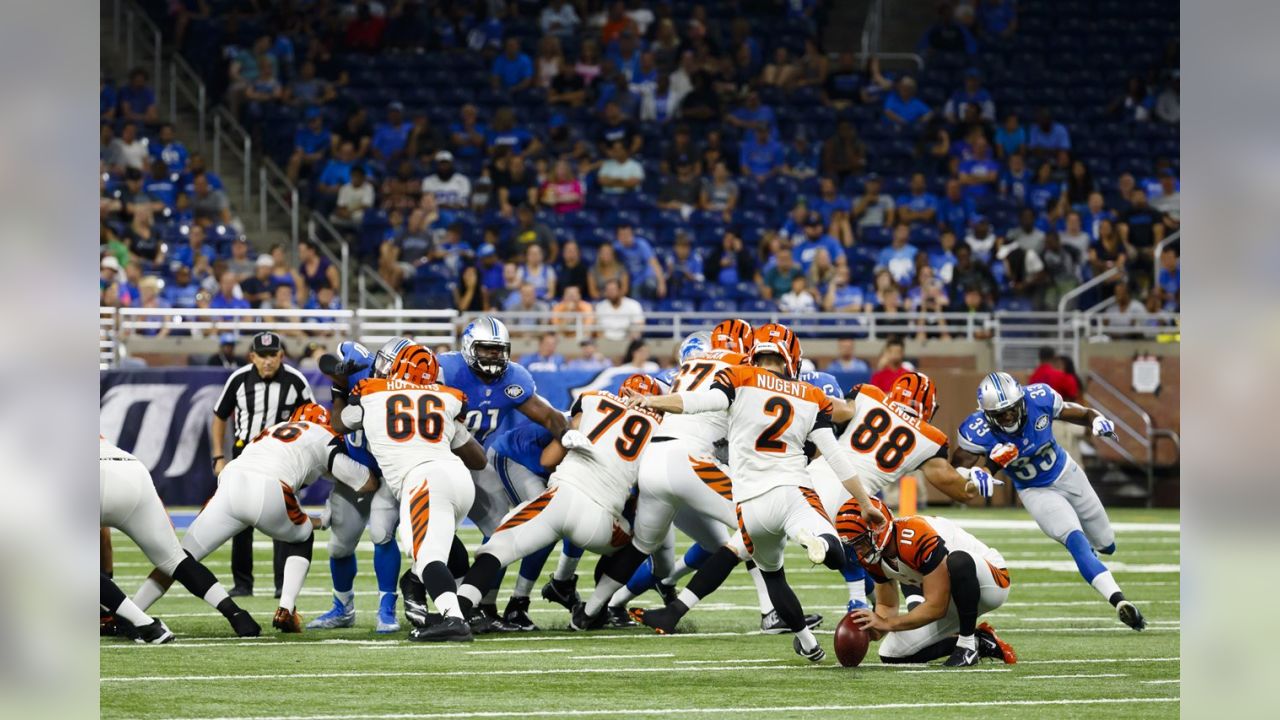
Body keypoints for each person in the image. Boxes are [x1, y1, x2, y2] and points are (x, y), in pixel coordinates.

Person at [625, 324, 883, 661]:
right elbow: (834, 456)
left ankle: (808, 646)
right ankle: (814, 538)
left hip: (750, 503)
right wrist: (864, 503)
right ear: (790, 357)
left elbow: (696, 402)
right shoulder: (811, 394)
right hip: (792, 489)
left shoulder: (739, 377)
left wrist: (652, 399)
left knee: (773, 577)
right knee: (832, 546)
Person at [133, 404, 376, 633]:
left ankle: (131, 611)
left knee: (178, 559)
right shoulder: (324, 435)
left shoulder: (273, 431)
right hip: (268, 489)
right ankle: (286, 609)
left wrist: (315, 517)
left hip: (231, 482)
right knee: (302, 538)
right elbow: (365, 482)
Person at [953, 373, 1147, 632]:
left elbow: (1081, 413)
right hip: (1035, 490)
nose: (1009, 417)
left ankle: (1094, 556)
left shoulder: (1039, 398)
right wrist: (972, 475)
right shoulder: (977, 431)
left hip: (1067, 473)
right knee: (1076, 542)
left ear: (1021, 400)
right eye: (1001, 414)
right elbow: (952, 470)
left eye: (1012, 410)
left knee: (1106, 544)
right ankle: (1119, 600)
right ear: (987, 415)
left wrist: (1096, 419)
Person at [341, 347, 488, 642]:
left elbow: (339, 422)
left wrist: (338, 386)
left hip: (424, 480)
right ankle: (465, 610)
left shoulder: (371, 395)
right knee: (443, 545)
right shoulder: (444, 398)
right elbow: (479, 460)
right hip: (458, 479)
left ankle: (454, 618)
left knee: (427, 556)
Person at [436, 318, 574, 628]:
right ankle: (423, 598)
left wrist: (568, 436)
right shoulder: (444, 370)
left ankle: (483, 604)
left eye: (498, 352)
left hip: (474, 460)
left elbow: (549, 416)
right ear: (469, 348)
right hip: (435, 460)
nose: (493, 358)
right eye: (485, 350)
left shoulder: (514, 379)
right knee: (430, 532)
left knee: (501, 530)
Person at [100, 438, 260, 641]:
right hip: (132, 470)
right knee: (175, 560)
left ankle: (145, 625)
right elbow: (101, 536)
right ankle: (236, 614)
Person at [842, 497, 1016, 666]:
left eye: (860, 541)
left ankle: (967, 646)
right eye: (853, 544)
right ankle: (981, 642)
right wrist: (874, 628)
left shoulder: (913, 535)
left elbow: (936, 607)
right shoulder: (873, 557)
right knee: (892, 653)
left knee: (958, 561)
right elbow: (887, 607)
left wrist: (887, 623)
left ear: (878, 530)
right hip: (951, 595)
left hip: (990, 582)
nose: (858, 549)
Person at [210, 331, 314, 598]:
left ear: (281, 355)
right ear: (252, 357)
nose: (268, 361)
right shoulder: (239, 379)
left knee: (284, 520)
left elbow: (312, 421)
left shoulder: (296, 381)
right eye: (262, 356)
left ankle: (283, 585)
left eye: (273, 355)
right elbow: (219, 417)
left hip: (283, 459)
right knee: (240, 522)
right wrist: (218, 457)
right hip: (245, 456)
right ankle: (243, 583)